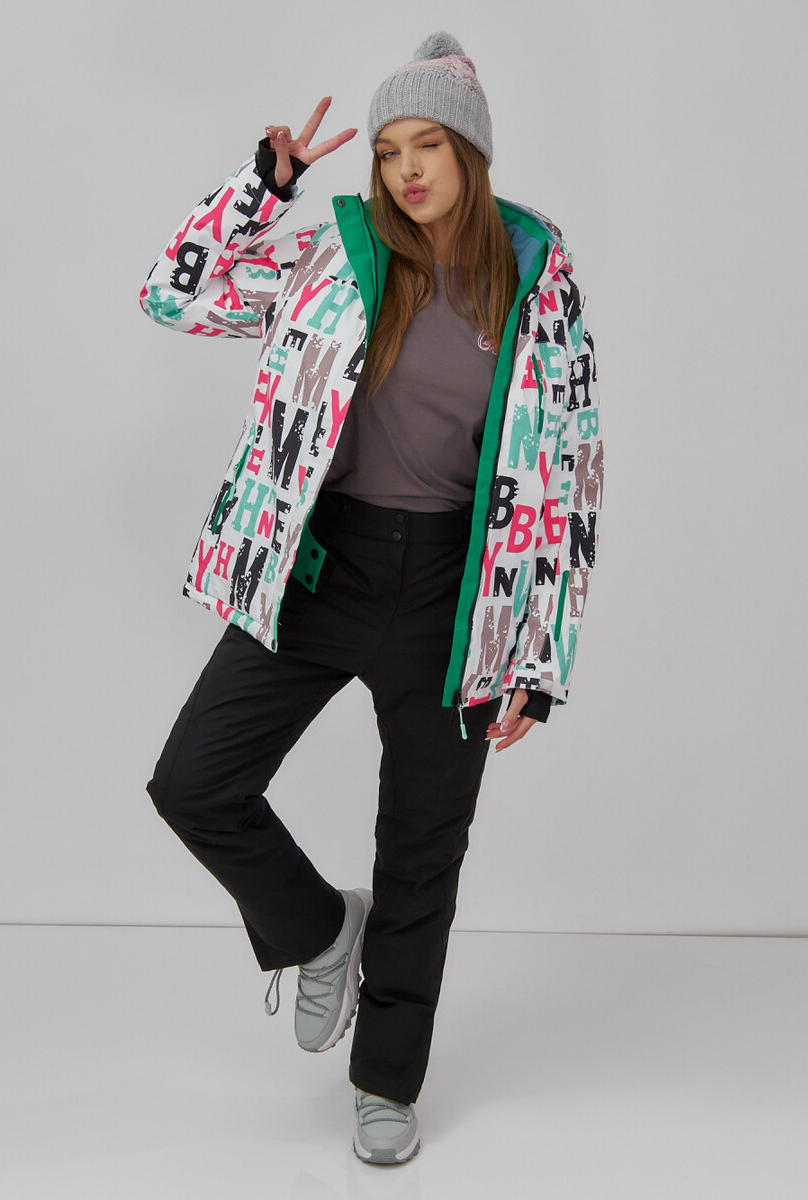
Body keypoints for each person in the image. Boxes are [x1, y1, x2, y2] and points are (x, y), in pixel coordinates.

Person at [140, 31, 602, 1166]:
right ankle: (316, 928)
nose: (404, 170)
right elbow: (171, 296)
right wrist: (263, 189)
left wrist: (538, 655)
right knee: (194, 782)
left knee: (422, 852)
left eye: (426, 145)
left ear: (470, 153)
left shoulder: (536, 276)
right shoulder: (334, 255)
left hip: (457, 596)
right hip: (323, 569)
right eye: (389, 150)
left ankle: (387, 1082)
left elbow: (570, 468)